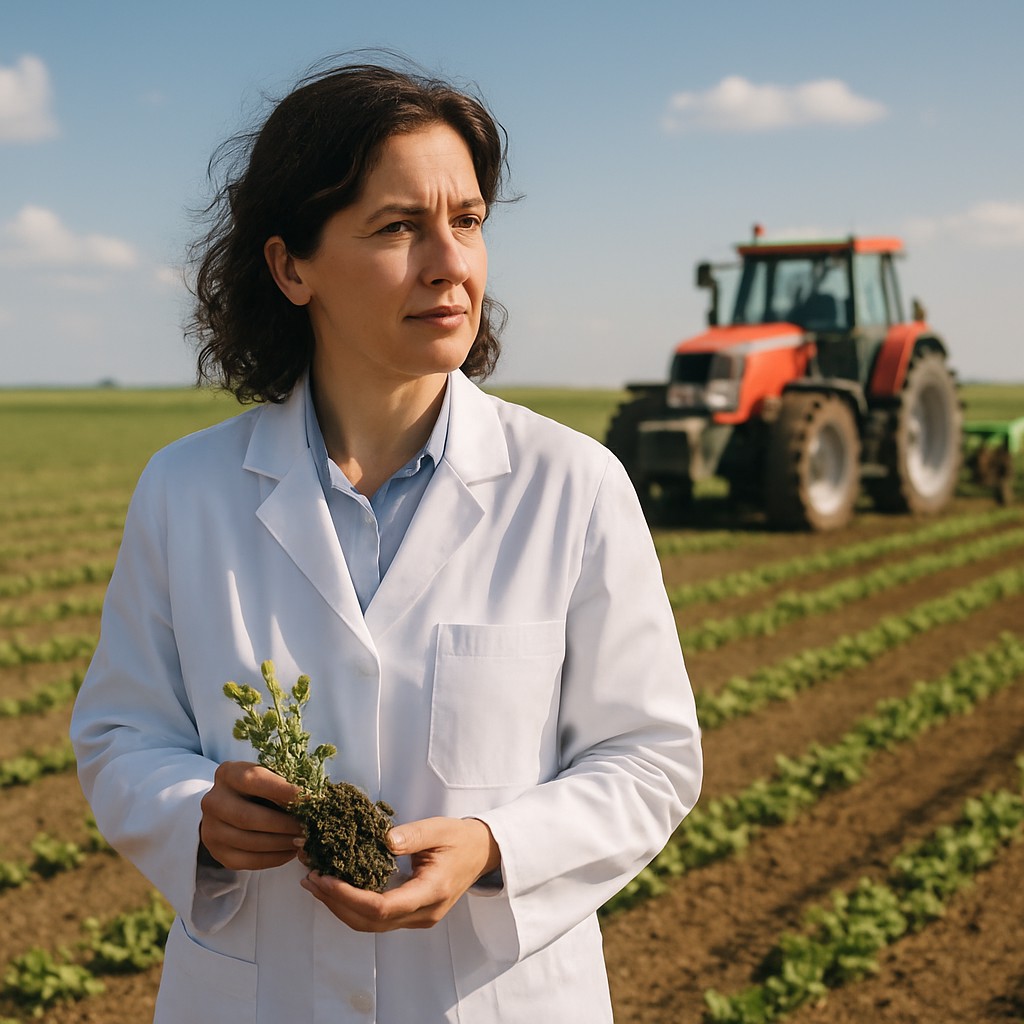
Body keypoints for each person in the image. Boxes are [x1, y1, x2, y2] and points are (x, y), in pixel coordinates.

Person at [70, 59, 702, 1023]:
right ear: (291, 267)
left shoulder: (572, 486)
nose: (451, 261)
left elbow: (650, 757)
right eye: (398, 227)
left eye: (469, 220)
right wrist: (192, 810)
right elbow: (121, 735)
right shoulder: (186, 492)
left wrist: (495, 845)